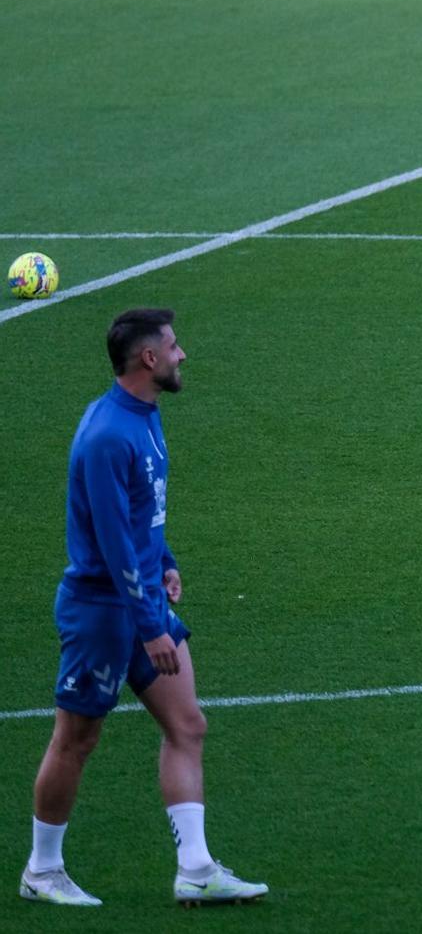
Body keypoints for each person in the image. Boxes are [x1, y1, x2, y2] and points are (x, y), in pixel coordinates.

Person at [21, 310, 267, 909]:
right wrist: (151, 623)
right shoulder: (108, 434)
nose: (183, 355)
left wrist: (166, 560)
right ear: (148, 360)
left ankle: (196, 868)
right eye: (174, 347)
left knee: (187, 725)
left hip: (140, 597)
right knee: (76, 739)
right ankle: (42, 870)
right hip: (103, 613)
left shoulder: (142, 417)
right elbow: (110, 537)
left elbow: (142, 511)